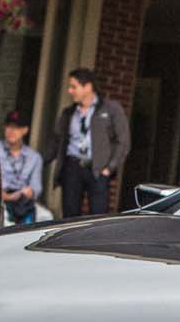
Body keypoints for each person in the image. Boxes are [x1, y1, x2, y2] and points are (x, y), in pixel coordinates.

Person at [53, 67, 129, 218]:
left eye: (74, 87)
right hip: (72, 167)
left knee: (98, 217)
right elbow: (56, 141)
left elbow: (123, 141)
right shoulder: (68, 113)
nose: (69, 91)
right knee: (69, 218)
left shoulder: (111, 109)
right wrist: (37, 159)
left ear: (87, 87)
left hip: (98, 170)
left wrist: (109, 168)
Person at [0, 110, 42, 226]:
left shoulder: (34, 157)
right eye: (8, 126)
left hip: (22, 201)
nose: (11, 131)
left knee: (44, 218)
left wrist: (29, 192)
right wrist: (6, 196)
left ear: (25, 130)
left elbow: (36, 188)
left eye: (16, 127)